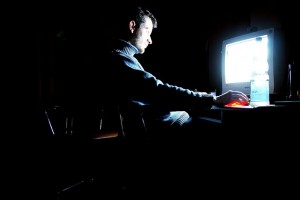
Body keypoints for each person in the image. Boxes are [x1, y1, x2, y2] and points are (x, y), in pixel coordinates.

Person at [93, 6, 249, 142]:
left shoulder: (118, 58)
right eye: (148, 31)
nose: (150, 40)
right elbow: (159, 91)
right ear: (132, 26)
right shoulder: (121, 61)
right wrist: (213, 99)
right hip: (156, 131)